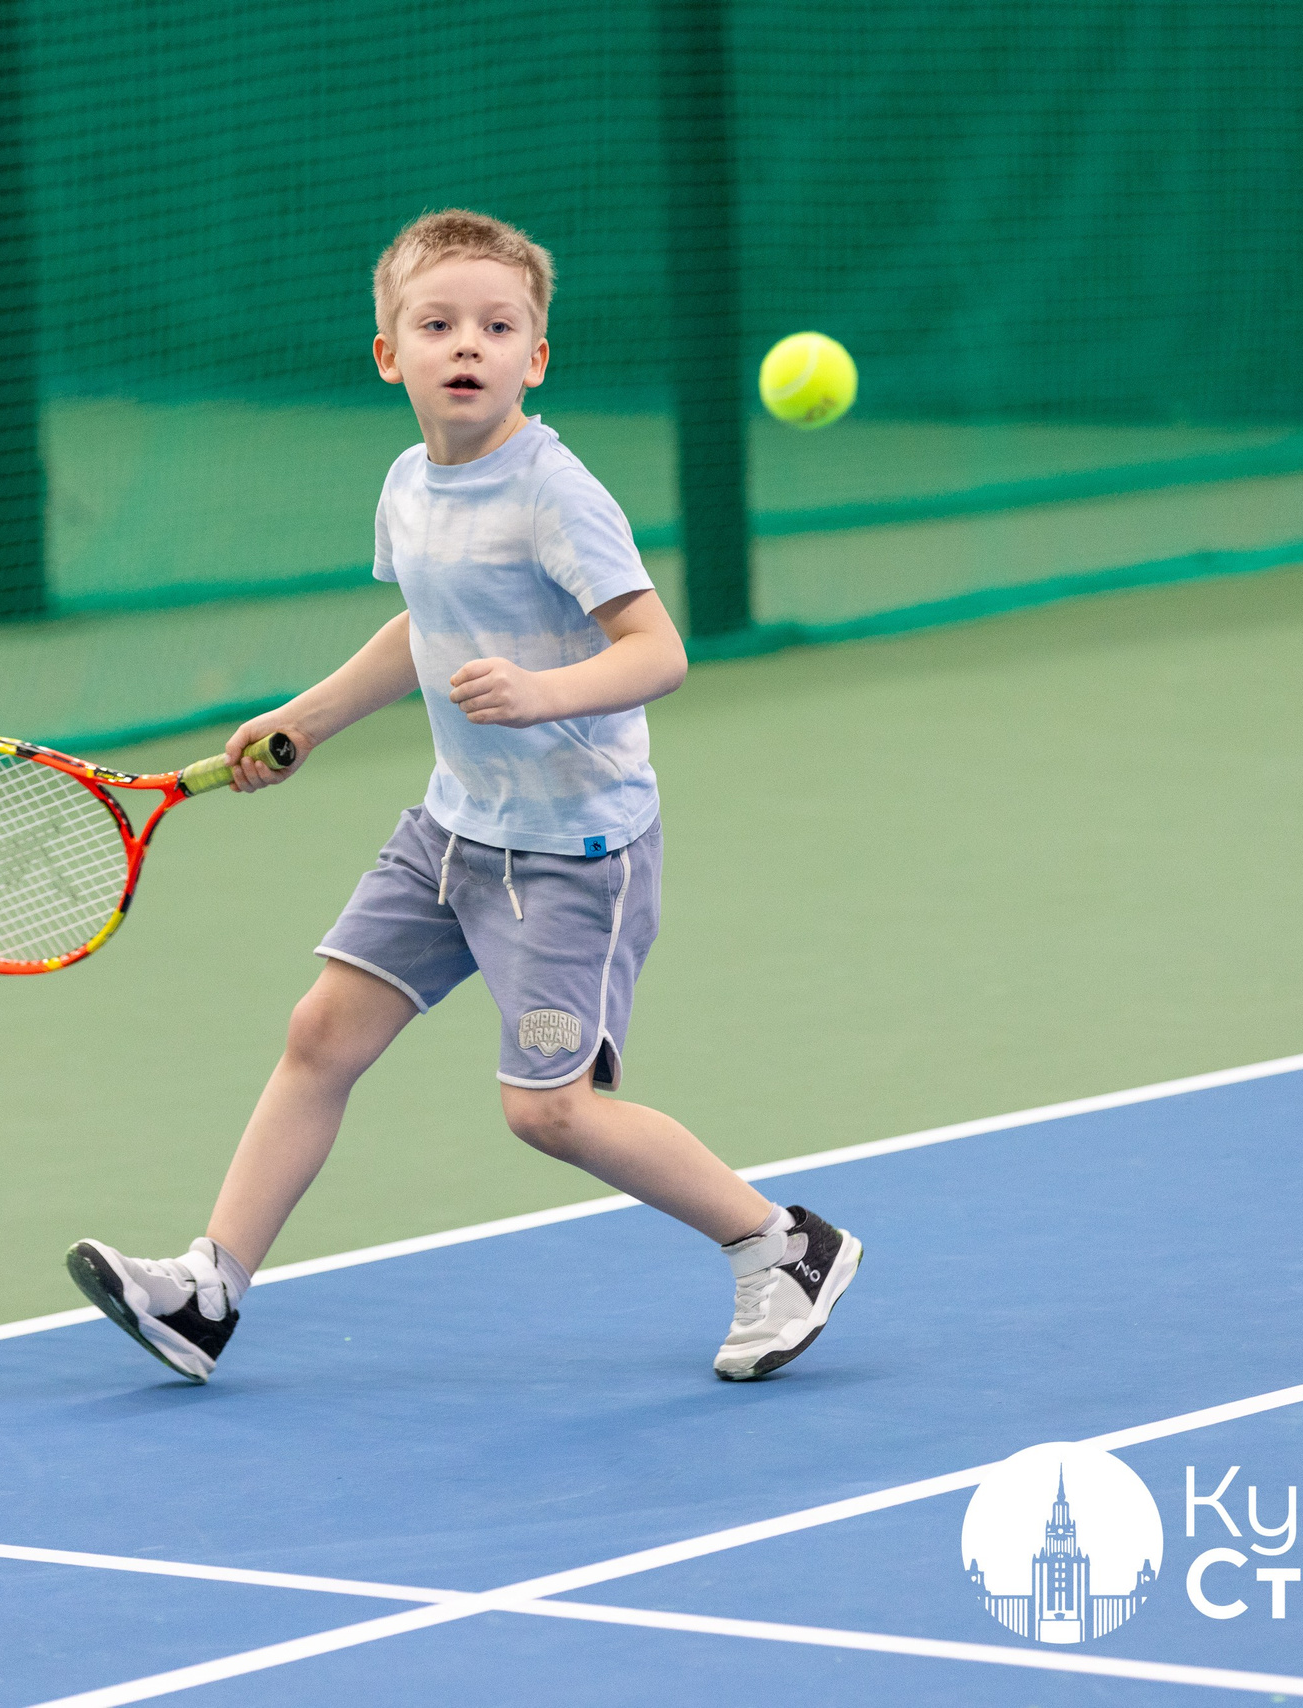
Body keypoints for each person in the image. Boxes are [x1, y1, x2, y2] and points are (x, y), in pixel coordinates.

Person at [66, 209, 858, 1384]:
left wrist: (545, 693)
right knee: (319, 1033)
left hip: (571, 851)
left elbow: (657, 650)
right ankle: (207, 1291)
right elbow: (423, 628)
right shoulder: (409, 486)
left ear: (535, 356)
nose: (466, 345)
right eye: (436, 324)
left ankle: (780, 1245)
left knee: (550, 1112)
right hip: (451, 829)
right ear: (390, 353)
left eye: (497, 325)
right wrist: (310, 718)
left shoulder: (556, 494)